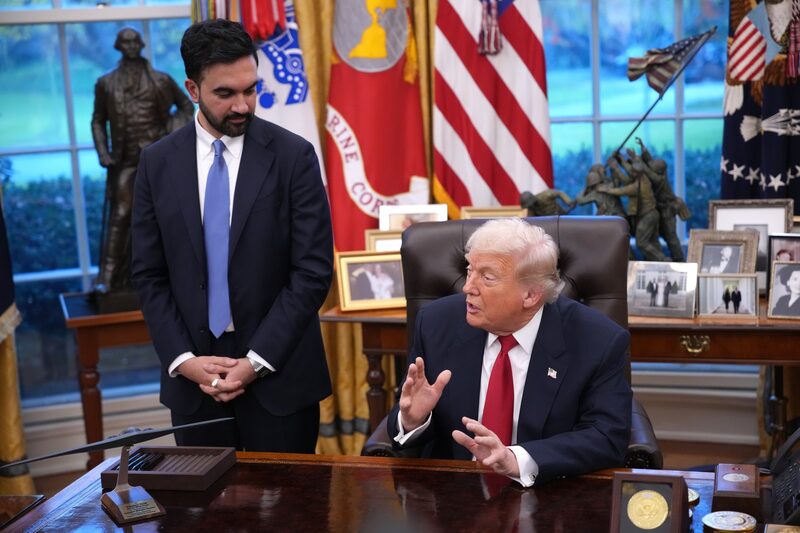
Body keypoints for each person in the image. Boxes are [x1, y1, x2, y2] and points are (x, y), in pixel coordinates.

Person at [131, 19, 333, 452]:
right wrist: (184, 362)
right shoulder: (157, 163)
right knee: (204, 517)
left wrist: (255, 363)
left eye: (251, 89)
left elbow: (312, 273)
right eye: (226, 94)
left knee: (290, 517)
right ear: (192, 90)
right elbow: (148, 275)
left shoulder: (294, 156)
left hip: (280, 379)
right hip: (195, 387)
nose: (243, 105)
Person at [387, 218, 632, 486]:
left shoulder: (597, 340)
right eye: (470, 270)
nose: (468, 287)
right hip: (453, 492)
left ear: (531, 295)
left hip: (549, 493)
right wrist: (412, 419)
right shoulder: (436, 323)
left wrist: (518, 460)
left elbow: (606, 437)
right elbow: (410, 414)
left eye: (487, 277)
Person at [92, 27, 194, 293]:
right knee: (122, 214)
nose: (130, 46)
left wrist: (169, 131)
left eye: (134, 42)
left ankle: (169, 275)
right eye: (125, 43)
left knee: (165, 214)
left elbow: (186, 106)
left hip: (158, 159)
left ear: (141, 44)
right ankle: (109, 277)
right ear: (118, 46)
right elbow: (97, 121)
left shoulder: (160, 80)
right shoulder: (106, 83)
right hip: (124, 160)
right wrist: (103, 152)